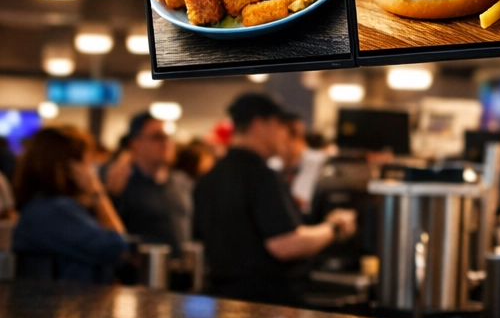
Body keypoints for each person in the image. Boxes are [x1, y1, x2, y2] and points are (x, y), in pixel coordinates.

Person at [194, 94, 356, 305]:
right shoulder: (261, 175)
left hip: (222, 299)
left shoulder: (210, 177)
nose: (283, 134)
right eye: (279, 125)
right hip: (263, 307)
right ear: (260, 125)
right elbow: (284, 244)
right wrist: (335, 227)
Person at [11, 127, 128, 282]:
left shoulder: (41, 206)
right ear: (72, 168)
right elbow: (117, 247)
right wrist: (98, 194)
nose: (92, 171)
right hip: (67, 303)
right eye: (88, 162)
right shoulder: (55, 211)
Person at [103, 112, 191, 251]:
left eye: (168, 137)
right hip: (143, 269)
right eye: (157, 137)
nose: (166, 143)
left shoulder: (181, 182)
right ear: (135, 143)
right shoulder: (122, 182)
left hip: (179, 269)